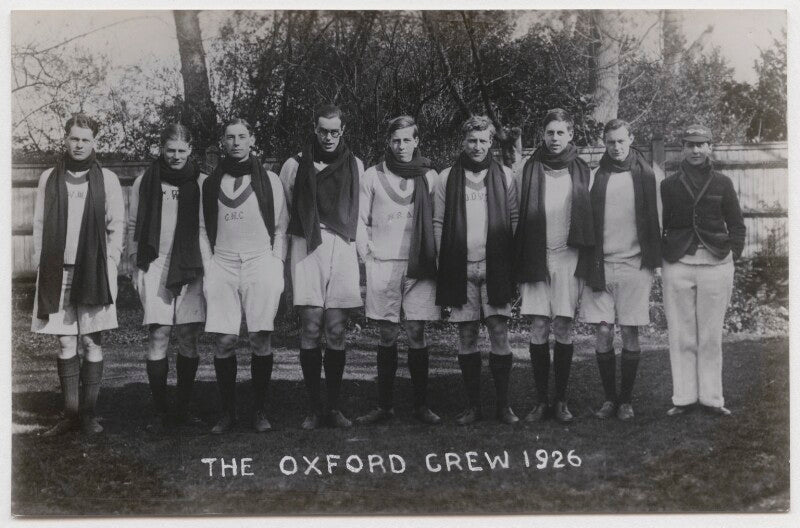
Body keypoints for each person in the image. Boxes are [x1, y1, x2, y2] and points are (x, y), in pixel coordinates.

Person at [31, 113, 125, 435]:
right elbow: (40, 226)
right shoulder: (49, 178)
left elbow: (117, 227)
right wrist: (42, 265)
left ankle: (88, 415)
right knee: (64, 341)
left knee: (91, 340)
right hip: (59, 270)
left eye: (85, 139)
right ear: (65, 139)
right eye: (74, 138)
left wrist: (110, 262)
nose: (79, 144)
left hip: (94, 270)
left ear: (94, 142)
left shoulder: (107, 180)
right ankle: (69, 414)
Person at [199, 118, 288, 434]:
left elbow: (280, 229)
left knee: (260, 337)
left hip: (260, 262)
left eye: (242, 136)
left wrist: (276, 265)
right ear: (223, 142)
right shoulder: (210, 183)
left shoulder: (271, 180)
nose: (236, 142)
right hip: (222, 264)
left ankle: (259, 410)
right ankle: (227, 412)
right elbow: (201, 229)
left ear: (252, 140)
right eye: (230, 137)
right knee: (224, 341)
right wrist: (209, 266)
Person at [279, 104, 364, 430]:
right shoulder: (294, 164)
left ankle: (335, 407)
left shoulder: (355, 164)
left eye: (335, 131)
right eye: (323, 131)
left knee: (336, 329)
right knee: (311, 327)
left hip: (341, 246)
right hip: (306, 245)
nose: (328, 137)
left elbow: (358, 210)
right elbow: (288, 211)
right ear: (314, 129)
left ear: (342, 131)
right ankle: (315, 409)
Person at [355, 116, 441, 425]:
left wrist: (435, 257)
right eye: (396, 140)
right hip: (383, 265)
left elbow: (437, 221)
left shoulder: (430, 177)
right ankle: (384, 407)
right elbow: (360, 222)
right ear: (388, 142)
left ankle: (421, 406)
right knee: (388, 333)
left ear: (417, 141)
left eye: (407, 140)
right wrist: (368, 257)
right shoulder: (372, 176)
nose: (401, 146)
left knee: (417, 331)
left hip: (419, 265)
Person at [434, 115, 519, 425]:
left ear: (491, 143)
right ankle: (473, 406)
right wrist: (442, 262)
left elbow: (513, 220)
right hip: (461, 267)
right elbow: (438, 222)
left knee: (499, 330)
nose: (478, 146)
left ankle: (504, 405)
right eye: (472, 140)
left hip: (495, 266)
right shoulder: (446, 177)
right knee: (466, 334)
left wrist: (511, 263)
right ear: (463, 141)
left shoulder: (506, 176)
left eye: (484, 140)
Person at [514, 108, 594, 424]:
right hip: (536, 254)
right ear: (543, 135)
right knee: (537, 326)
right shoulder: (527, 168)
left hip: (568, 255)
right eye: (550, 133)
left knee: (562, 325)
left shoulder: (583, 170)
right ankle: (540, 401)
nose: (555, 138)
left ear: (570, 135)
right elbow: (516, 213)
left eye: (561, 132)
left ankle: (561, 401)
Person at [579, 119, 662, 421]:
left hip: (634, 264)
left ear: (631, 139)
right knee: (602, 331)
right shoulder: (592, 178)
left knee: (629, 331)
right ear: (604, 141)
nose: (616, 147)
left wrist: (655, 260)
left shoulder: (649, 175)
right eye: (610, 142)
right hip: (600, 264)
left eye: (621, 141)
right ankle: (609, 399)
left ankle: (626, 400)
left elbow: (660, 220)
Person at [661, 124, 745, 417]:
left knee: (710, 335)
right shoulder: (668, 185)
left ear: (710, 147)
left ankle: (711, 398)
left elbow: (736, 224)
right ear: (682, 148)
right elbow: (661, 223)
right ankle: (683, 398)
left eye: (702, 144)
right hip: (678, 264)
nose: (696, 150)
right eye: (690, 144)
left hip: (716, 264)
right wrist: (666, 252)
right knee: (681, 335)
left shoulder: (723, 183)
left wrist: (732, 252)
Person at [128, 123, 206, 433]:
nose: (175, 156)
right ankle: (160, 412)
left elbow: (207, 229)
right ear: (161, 149)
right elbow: (134, 225)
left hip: (191, 266)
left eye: (181, 150)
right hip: (155, 264)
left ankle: (183, 410)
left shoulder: (202, 182)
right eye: (170, 150)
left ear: (190, 150)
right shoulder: (144, 182)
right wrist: (135, 265)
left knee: (188, 336)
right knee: (158, 335)